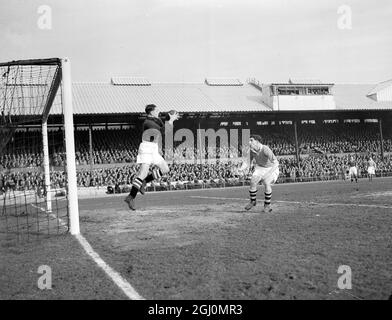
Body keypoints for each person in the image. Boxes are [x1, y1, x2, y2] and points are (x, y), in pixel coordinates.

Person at [124, 104, 179, 210]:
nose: (159, 111)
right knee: (143, 173)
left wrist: (169, 119)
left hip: (153, 148)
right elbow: (163, 132)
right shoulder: (148, 122)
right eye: (157, 110)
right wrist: (171, 120)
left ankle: (144, 182)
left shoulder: (156, 120)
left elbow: (163, 130)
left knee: (165, 169)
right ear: (151, 112)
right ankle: (131, 197)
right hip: (146, 148)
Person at [239, 135, 279, 213]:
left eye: (251, 140)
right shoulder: (251, 150)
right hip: (260, 168)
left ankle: (267, 205)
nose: (249, 142)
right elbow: (247, 162)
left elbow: (276, 163)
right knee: (253, 181)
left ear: (257, 141)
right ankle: (253, 202)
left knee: (267, 183)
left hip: (271, 168)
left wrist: (268, 174)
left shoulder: (265, 149)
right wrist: (240, 169)